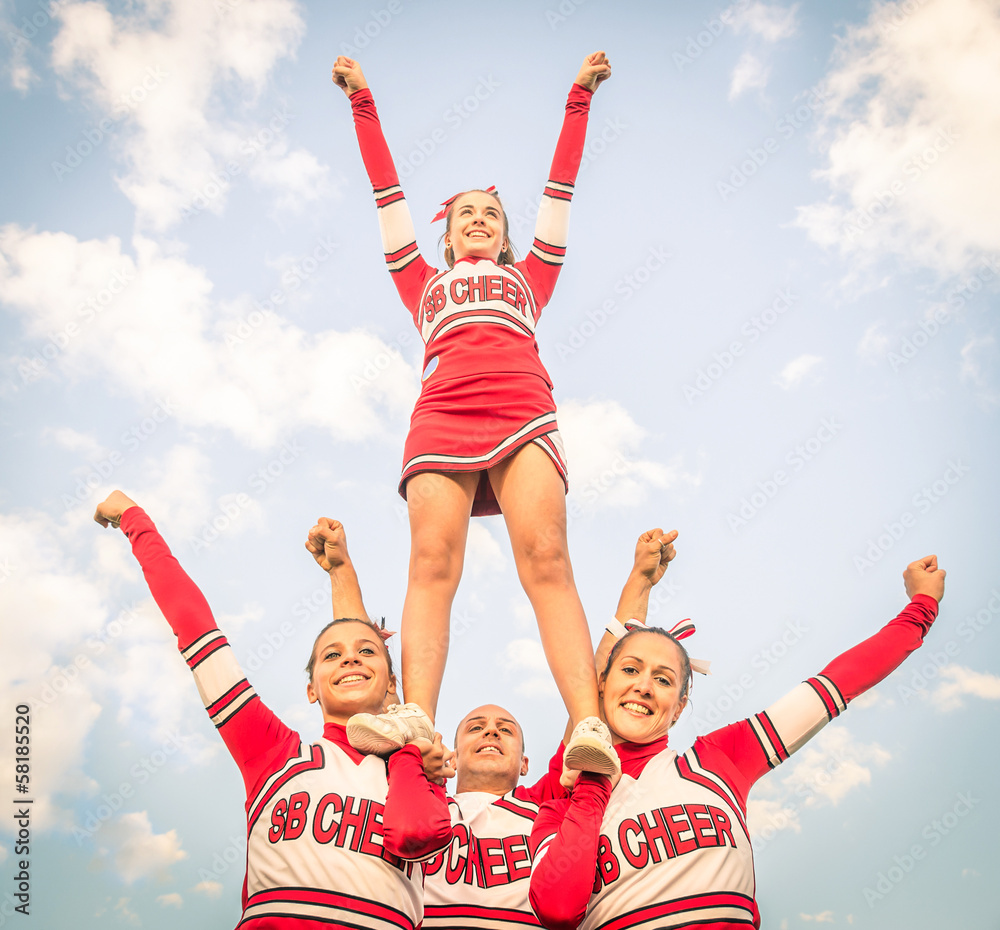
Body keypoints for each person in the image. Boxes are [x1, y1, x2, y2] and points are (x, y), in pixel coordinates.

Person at [331, 50, 618, 775]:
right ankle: (418, 719)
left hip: (523, 406)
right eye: (467, 214)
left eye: (492, 213)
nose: (480, 220)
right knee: (431, 562)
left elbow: (562, 185)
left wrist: (578, 97)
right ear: (449, 235)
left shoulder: (532, 276)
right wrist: (362, 98)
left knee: (547, 558)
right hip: (442, 414)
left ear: (507, 234)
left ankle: (588, 724)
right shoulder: (419, 281)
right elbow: (386, 191)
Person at [527, 546, 946, 930]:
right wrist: (595, 784)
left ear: (680, 705)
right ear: (601, 685)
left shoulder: (717, 759)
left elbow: (836, 683)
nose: (644, 686)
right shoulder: (562, 800)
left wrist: (921, 607)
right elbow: (557, 910)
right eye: (631, 670)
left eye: (664, 678)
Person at [94, 490, 453, 930]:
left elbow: (416, 823)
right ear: (311, 689)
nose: (351, 660)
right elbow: (194, 626)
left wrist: (414, 757)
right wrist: (135, 519)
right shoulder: (274, 752)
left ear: (393, 684)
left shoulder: (414, 767)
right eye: (331, 657)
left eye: (366, 653)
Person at [305, 518, 679, 929]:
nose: (491, 732)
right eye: (476, 726)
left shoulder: (546, 805)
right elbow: (372, 686)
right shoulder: (417, 800)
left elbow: (593, 691)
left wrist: (639, 582)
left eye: (506, 728)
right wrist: (341, 572)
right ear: (450, 751)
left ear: (525, 762)